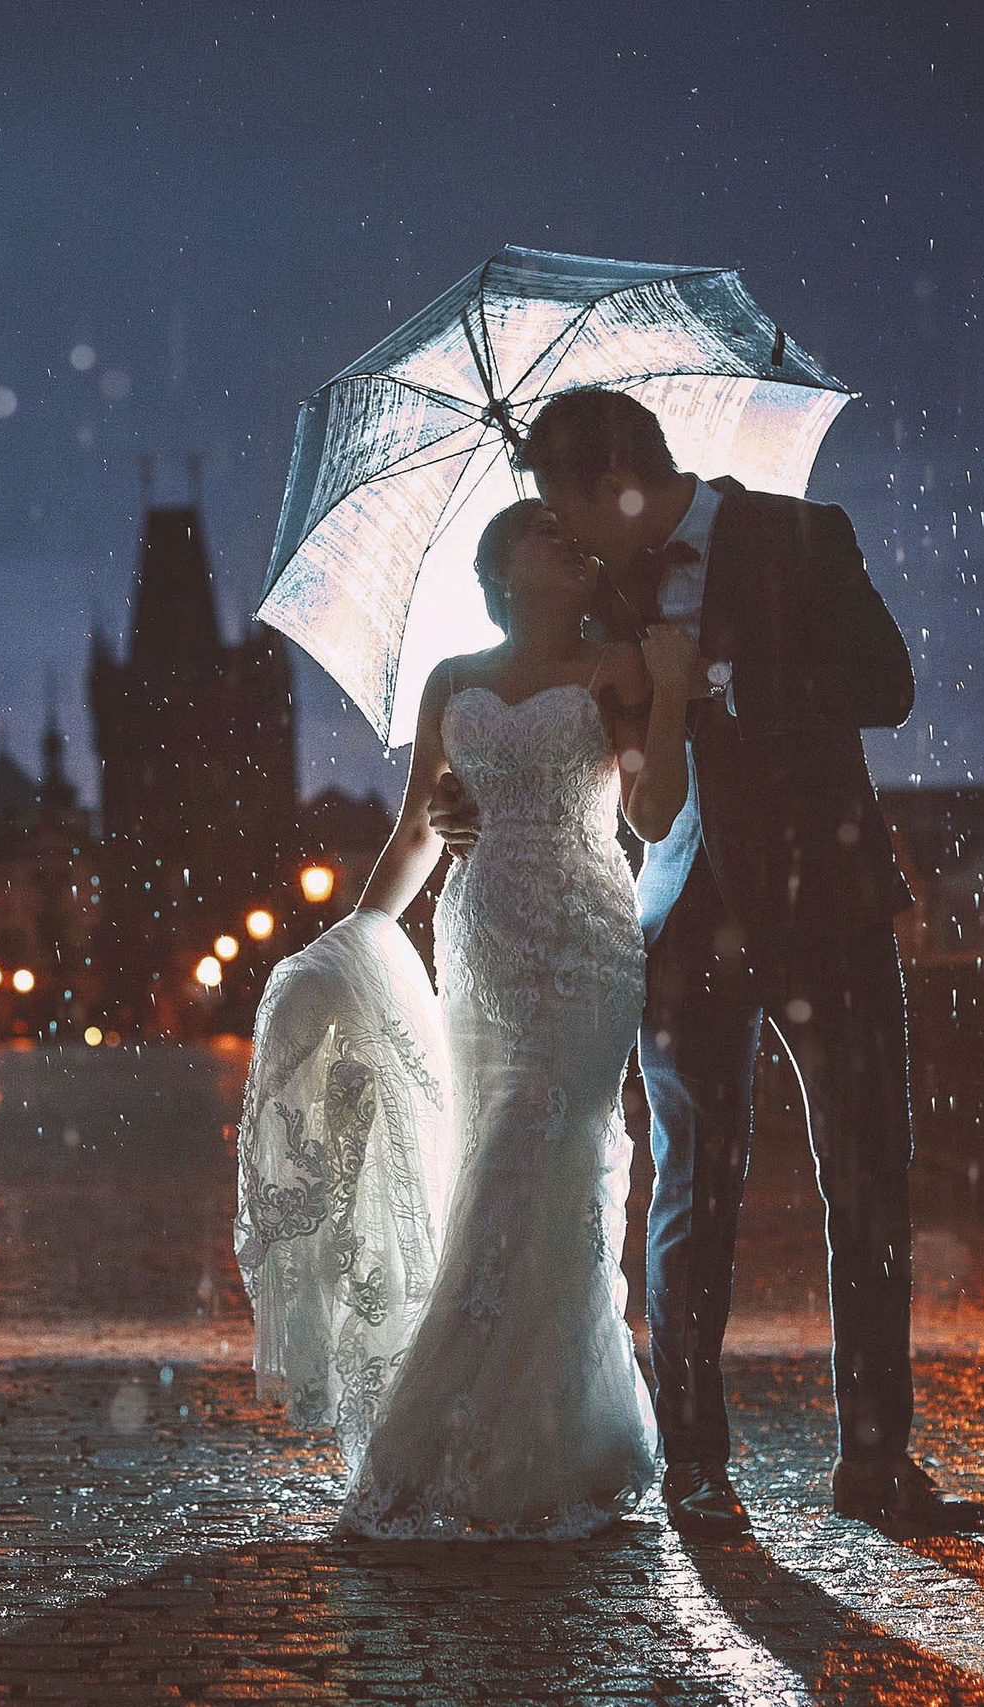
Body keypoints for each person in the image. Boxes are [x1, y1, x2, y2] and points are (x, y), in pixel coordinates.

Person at [430, 387, 984, 1535]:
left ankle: (876, 1467)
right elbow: (552, 709)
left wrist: (725, 684)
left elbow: (885, 687)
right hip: (682, 915)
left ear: (617, 484)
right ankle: (696, 1465)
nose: (566, 539)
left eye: (564, 509)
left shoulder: (796, 535)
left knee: (868, 1185)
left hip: (826, 907)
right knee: (692, 1191)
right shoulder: (604, 589)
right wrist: (466, 794)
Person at [234, 498, 703, 1538]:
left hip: (583, 938)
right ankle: (517, 1433)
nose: (568, 541)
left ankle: (480, 1433)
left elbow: (653, 814)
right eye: (543, 533)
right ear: (498, 570)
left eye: (568, 533)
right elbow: (413, 834)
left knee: (546, 1158)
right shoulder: (450, 680)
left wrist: (666, 697)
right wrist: (352, 941)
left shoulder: (615, 665)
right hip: (481, 939)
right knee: (493, 1154)